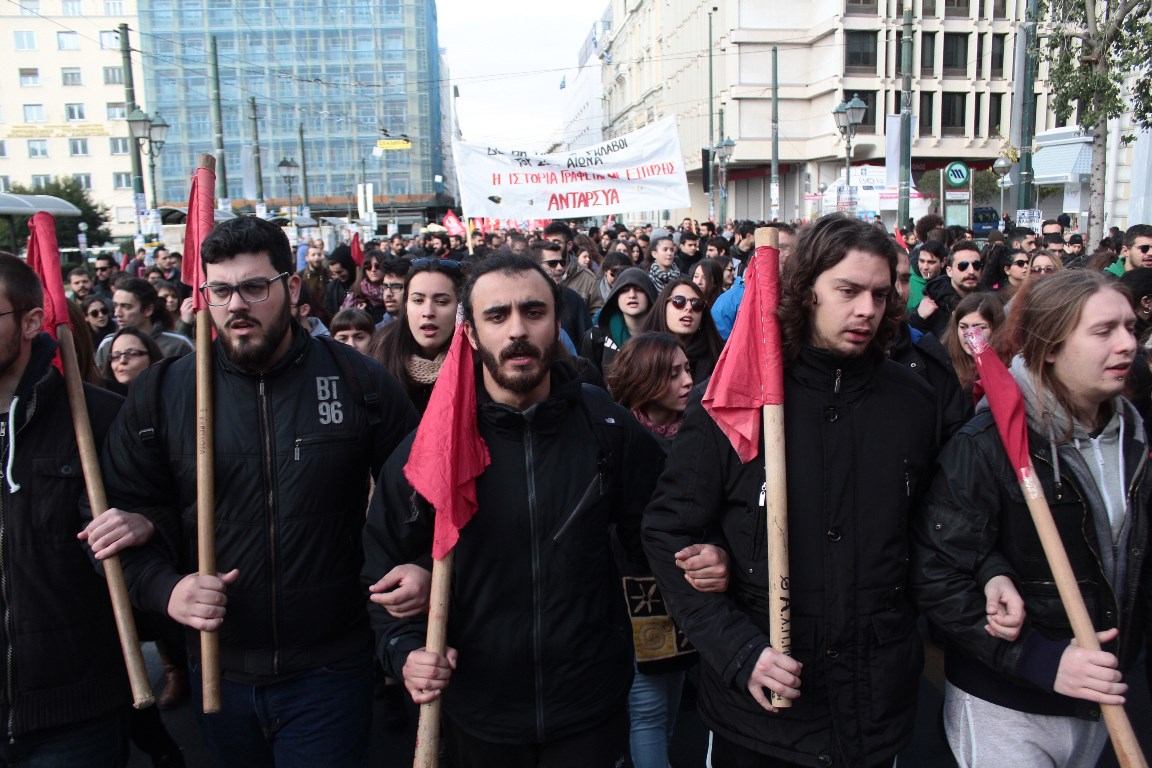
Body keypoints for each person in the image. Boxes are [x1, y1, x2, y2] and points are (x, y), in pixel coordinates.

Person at [98, 217, 418, 766]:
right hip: (218, 667)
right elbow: (123, 520)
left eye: (254, 287)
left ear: (291, 289)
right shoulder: (163, 392)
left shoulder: (358, 381)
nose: (236, 305)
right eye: (220, 290)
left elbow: (418, 498)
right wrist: (164, 588)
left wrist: (417, 566)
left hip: (332, 663)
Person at [643, 214, 940, 767]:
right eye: (848, 291)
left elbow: (929, 536)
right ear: (805, 292)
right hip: (759, 711)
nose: (866, 310)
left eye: (880, 294)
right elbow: (668, 530)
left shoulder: (914, 402)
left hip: (871, 708)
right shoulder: (735, 398)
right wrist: (736, 651)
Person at [362, 254, 667, 768]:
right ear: (473, 332)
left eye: (534, 311)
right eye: (497, 316)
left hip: (589, 704)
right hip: (478, 710)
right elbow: (381, 572)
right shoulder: (430, 448)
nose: (518, 330)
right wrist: (403, 649)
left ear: (558, 318)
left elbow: (659, 533)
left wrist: (704, 552)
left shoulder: (607, 427)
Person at [911, 269, 1151, 768]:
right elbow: (937, 571)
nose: (1128, 343)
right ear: (1052, 346)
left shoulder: (1140, 441)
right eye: (1104, 331)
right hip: (1007, 705)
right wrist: (1040, 659)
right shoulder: (986, 443)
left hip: (1107, 698)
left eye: (1131, 327)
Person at [0, 251, 135, 765]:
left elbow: (163, 533)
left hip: (76, 709)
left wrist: (144, 525)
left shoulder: (99, 419)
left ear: (33, 320)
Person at [604, 331, 727, 768]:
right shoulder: (618, 440)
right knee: (648, 713)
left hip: (690, 593)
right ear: (645, 380)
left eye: (687, 370)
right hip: (638, 596)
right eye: (672, 374)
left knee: (669, 705)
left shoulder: (700, 436)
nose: (687, 382)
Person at [370, 258, 464, 414]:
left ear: (460, 307)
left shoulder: (479, 361)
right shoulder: (381, 353)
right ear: (406, 305)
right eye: (418, 300)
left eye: (441, 301)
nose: (428, 312)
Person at [95, 277, 193, 368]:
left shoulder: (178, 344)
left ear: (148, 309)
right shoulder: (107, 344)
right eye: (116, 306)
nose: (117, 313)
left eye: (126, 306)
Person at [580, 267, 658, 377]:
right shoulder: (597, 337)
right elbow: (590, 383)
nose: (632, 295)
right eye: (624, 290)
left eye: (639, 289)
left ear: (650, 295)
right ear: (616, 298)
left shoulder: (664, 337)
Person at [643, 278, 723, 383]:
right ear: (663, 307)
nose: (689, 308)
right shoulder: (642, 355)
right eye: (679, 301)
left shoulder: (719, 359)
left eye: (697, 304)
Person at [941, 292, 1007, 403]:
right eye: (963, 327)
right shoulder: (944, 363)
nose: (970, 335)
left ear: (996, 329)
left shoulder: (1010, 366)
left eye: (979, 328)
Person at [912, 240, 985, 339]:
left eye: (976, 265)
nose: (971, 271)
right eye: (963, 266)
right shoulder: (932, 303)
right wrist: (918, 319)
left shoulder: (988, 302)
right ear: (949, 271)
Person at [100, 326, 164, 396]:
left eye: (132, 354)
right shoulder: (101, 399)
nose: (122, 360)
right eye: (116, 356)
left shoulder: (169, 396)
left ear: (151, 357)